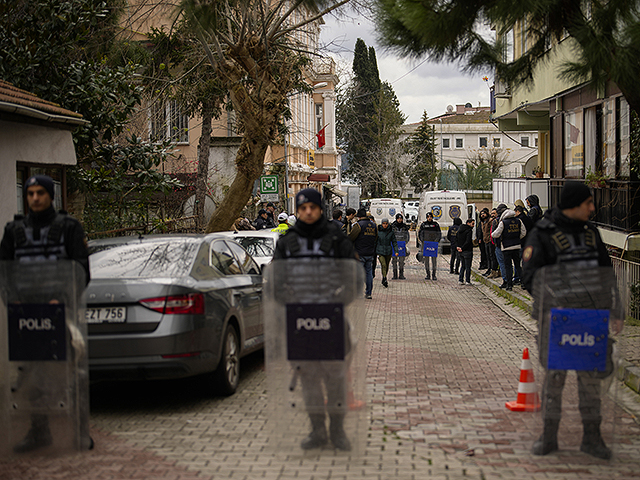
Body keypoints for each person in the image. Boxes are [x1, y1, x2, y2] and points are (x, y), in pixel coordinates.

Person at [522, 181, 619, 460]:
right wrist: (555, 304)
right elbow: (530, 276)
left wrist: (613, 310)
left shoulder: (591, 233)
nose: (593, 208)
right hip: (557, 322)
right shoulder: (542, 233)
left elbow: (605, 273)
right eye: (588, 202)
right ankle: (549, 436)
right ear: (574, 204)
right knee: (554, 381)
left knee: (590, 384)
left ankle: (592, 438)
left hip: (591, 321)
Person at [0, 175, 90, 453]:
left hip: (62, 312)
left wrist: (60, 299)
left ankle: (80, 432)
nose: (35, 198)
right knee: (30, 376)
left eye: (41, 193)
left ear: (50, 195)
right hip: (25, 314)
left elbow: (81, 271)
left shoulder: (69, 228)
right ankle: (39, 432)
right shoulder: (13, 231)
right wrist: (13, 302)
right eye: (30, 193)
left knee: (73, 372)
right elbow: (4, 273)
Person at [272, 188, 356, 451]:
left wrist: (340, 301)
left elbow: (353, 277)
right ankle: (317, 431)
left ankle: (338, 432)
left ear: (320, 209)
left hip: (332, 320)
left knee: (335, 379)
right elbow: (275, 282)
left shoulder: (337, 237)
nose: (308, 212)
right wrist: (291, 305)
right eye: (303, 208)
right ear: (297, 211)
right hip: (300, 323)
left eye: (313, 207)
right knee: (308, 379)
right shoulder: (286, 242)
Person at [491, 207, 526, 291]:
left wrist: (492, 234)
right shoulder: (519, 221)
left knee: (508, 266)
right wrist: (517, 238)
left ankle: (509, 285)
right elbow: (523, 232)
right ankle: (523, 283)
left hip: (506, 247)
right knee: (518, 265)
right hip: (517, 246)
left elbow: (496, 234)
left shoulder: (503, 223)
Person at [351, 208, 377, 299]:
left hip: (359, 253)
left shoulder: (358, 225)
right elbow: (376, 238)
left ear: (359, 216)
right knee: (369, 273)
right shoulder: (374, 225)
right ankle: (369, 293)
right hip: (370, 253)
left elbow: (351, 237)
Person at [418, 212, 442, 280]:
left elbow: (439, 234)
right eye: (428, 217)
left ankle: (434, 274)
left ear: (432, 217)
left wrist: (436, 241)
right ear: (426, 217)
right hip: (426, 244)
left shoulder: (436, 225)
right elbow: (420, 234)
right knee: (426, 260)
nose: (429, 218)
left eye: (430, 217)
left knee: (434, 260)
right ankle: (428, 274)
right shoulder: (423, 225)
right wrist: (423, 241)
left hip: (433, 244)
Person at [375, 218, 398, 288]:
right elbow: (375, 241)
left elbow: (394, 241)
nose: (385, 225)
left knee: (387, 265)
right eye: (383, 223)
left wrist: (396, 250)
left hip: (388, 251)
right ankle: (384, 278)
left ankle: (384, 277)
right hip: (380, 251)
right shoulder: (378, 231)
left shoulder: (391, 231)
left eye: (386, 224)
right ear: (381, 224)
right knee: (383, 264)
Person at [492, 204, 509, 287]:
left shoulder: (498, 221)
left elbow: (494, 234)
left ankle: (505, 280)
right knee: (509, 263)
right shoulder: (515, 220)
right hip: (512, 245)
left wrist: (495, 243)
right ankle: (511, 279)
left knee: (502, 263)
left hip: (500, 245)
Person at [456, 218, 475, 285]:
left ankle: (460, 280)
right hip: (467, 250)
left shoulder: (460, 230)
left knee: (463, 266)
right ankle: (467, 280)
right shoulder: (469, 230)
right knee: (468, 267)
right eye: (472, 224)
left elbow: (456, 238)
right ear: (468, 223)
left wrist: (458, 247)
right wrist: (462, 248)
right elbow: (468, 241)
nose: (473, 225)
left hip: (460, 251)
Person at [391, 213, 410, 280]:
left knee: (401, 261)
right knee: (394, 261)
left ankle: (401, 274)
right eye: (398, 219)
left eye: (401, 219)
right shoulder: (392, 226)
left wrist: (405, 242)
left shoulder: (404, 226)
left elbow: (407, 235)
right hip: (394, 246)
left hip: (402, 245)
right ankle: (395, 274)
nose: (399, 220)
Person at [481, 209, 497, 277]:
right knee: (487, 255)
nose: (482, 215)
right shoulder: (482, 222)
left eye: (484, 213)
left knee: (492, 255)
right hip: (485, 240)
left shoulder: (490, 221)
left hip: (490, 240)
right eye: (481, 214)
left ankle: (493, 270)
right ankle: (489, 268)